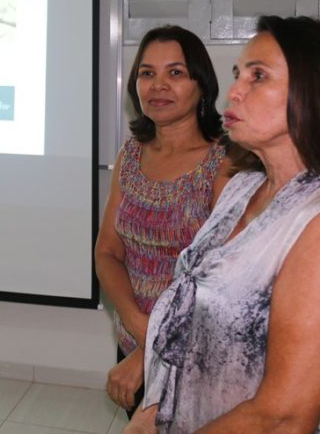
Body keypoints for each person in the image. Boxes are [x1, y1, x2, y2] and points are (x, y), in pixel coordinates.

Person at [126, 15, 320, 433]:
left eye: (258, 76)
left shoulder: (313, 219)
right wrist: (145, 418)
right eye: (238, 74)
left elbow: (283, 417)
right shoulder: (242, 187)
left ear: (310, 91)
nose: (234, 91)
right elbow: (185, 324)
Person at [95, 25, 232, 416]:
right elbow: (107, 252)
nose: (158, 85)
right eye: (147, 73)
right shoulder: (130, 155)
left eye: (175, 72)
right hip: (132, 341)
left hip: (194, 354)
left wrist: (150, 349)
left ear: (201, 84)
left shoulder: (226, 164)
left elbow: (219, 281)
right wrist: (138, 327)